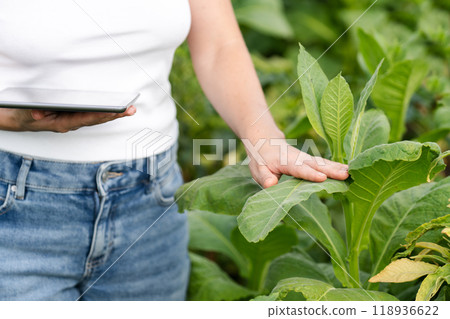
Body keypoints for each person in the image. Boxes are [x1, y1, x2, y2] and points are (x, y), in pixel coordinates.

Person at [0, 0, 348, 300]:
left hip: (152, 203)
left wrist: (264, 139)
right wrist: (14, 120)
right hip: (16, 206)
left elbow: (218, 44)